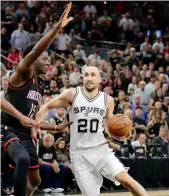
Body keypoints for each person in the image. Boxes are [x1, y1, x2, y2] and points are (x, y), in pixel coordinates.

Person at [36, 66, 148, 196]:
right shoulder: (71, 94)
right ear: (82, 78)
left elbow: (109, 126)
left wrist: (118, 135)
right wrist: (34, 124)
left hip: (101, 150)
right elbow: (47, 107)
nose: (89, 78)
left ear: (100, 79)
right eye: (87, 75)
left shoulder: (108, 100)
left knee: (127, 180)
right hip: (79, 154)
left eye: (93, 75)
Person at [1, 3, 73, 196]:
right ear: (33, 60)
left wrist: (56, 128)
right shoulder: (22, 73)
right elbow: (3, 103)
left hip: (24, 135)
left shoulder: (40, 85)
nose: (48, 61)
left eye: (49, 59)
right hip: (7, 130)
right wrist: (57, 29)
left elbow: (31, 118)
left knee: (35, 181)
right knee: (22, 160)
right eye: (45, 58)